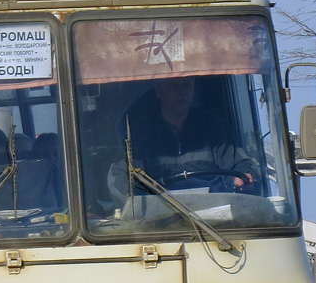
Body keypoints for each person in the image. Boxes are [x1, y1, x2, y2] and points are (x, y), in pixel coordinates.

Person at [109, 76, 259, 204]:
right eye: (174, 86)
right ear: (158, 91)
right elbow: (120, 177)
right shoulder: (139, 133)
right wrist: (140, 201)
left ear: (193, 89)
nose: (182, 91)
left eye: (186, 85)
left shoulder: (214, 127)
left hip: (215, 216)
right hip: (159, 218)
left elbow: (241, 164)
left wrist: (243, 176)